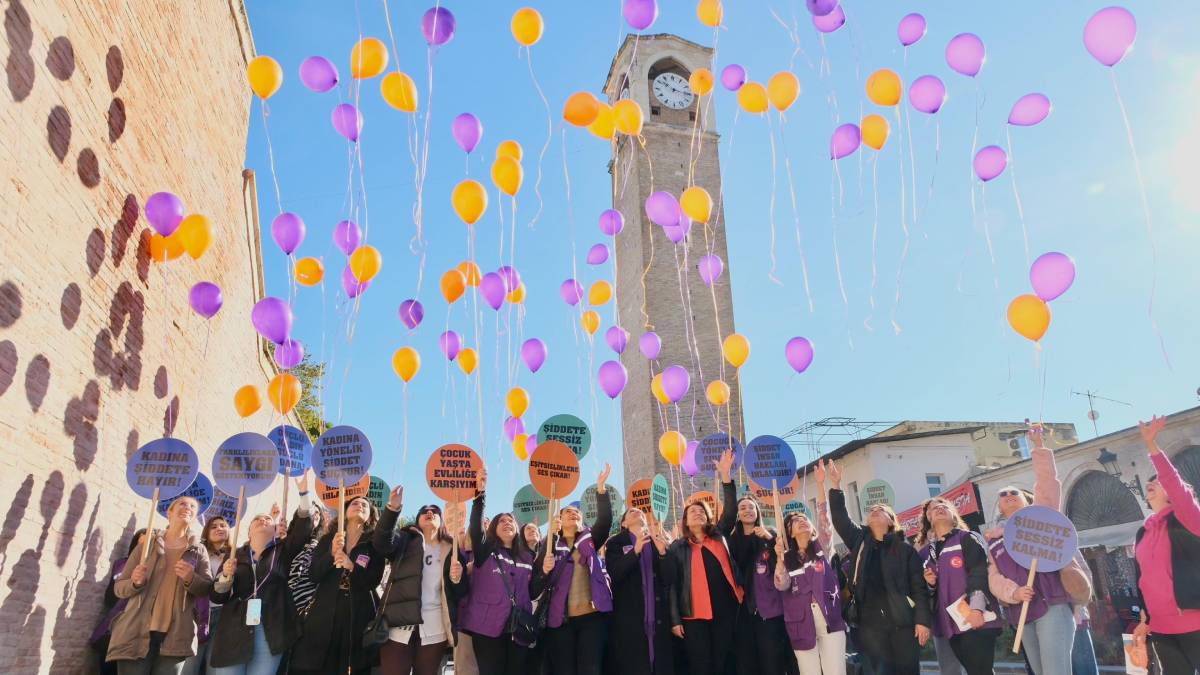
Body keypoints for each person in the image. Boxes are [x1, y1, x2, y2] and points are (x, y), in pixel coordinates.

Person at [986, 423, 1085, 675]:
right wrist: (1015, 592)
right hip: (1020, 611)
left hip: (1051, 604)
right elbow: (994, 578)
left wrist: (1039, 448)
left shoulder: (1040, 518)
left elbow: (1048, 484)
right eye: (1003, 493)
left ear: (1027, 499)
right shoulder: (994, 541)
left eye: (1014, 492)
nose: (1008, 494)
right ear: (998, 504)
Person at [824, 459, 930, 675]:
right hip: (868, 627)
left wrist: (922, 621)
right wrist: (836, 486)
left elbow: (919, 588)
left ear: (891, 520)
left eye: (879, 509)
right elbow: (841, 519)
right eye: (871, 510)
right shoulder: (860, 540)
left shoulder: (905, 550)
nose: (873, 511)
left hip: (902, 624)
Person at [207, 475, 314, 674]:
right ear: (248, 532)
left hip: (270, 630)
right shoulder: (235, 555)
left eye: (267, 519)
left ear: (275, 529)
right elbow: (217, 595)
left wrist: (304, 493)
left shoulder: (283, 550)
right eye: (257, 519)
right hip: (234, 631)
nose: (262, 520)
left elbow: (303, 529)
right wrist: (225, 578)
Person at [107, 496, 214, 674]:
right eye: (182, 503)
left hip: (177, 635)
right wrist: (134, 582)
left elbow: (206, 588)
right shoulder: (147, 544)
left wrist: (190, 577)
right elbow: (119, 588)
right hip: (135, 631)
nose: (188, 507)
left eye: (193, 506)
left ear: (195, 516)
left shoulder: (198, 550)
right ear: (169, 512)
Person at [372, 486, 468, 675]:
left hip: (434, 629)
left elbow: (461, 592)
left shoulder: (453, 550)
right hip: (397, 626)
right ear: (417, 520)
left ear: (442, 521)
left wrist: (458, 579)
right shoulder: (404, 540)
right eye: (424, 511)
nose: (429, 512)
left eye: (435, 511)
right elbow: (381, 543)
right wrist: (393, 509)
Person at [1132, 415, 1200, 672]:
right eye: (1149, 481)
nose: (1151, 482)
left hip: (1195, 622)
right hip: (1161, 628)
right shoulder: (1143, 532)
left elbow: (1176, 485)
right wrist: (1145, 620)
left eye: (1157, 480)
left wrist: (1152, 447)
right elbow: (1144, 581)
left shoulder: (1189, 519)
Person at [289, 494, 385, 675]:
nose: (359, 505)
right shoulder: (328, 540)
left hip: (357, 613)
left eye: (365, 505)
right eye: (354, 503)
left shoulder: (373, 546)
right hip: (325, 611)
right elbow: (314, 574)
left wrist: (352, 567)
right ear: (344, 512)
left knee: (352, 665)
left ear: (371, 516)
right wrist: (331, 554)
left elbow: (373, 580)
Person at [533, 464, 614, 675]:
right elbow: (537, 582)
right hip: (561, 622)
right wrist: (544, 566)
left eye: (577, 513)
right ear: (558, 520)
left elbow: (604, 522)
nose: (574, 514)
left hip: (592, 620)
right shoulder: (550, 543)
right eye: (568, 512)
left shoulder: (589, 540)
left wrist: (601, 489)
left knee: (591, 669)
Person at [666, 450, 739, 675]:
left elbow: (730, 512)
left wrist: (725, 477)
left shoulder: (718, 535)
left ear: (708, 518)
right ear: (685, 521)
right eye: (692, 512)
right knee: (701, 666)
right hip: (693, 617)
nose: (697, 514)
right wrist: (675, 619)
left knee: (723, 663)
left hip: (725, 611)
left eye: (701, 511)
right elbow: (672, 586)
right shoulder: (677, 547)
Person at [462, 468, 538, 675]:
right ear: (493, 528)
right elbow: (476, 527)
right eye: (501, 521)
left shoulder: (527, 557)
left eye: (510, 520)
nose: (507, 523)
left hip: (519, 627)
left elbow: (534, 589)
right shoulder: (485, 550)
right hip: (486, 627)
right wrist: (480, 495)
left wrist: (545, 572)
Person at [917, 496, 1003, 675]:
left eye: (944, 506)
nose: (939, 508)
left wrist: (976, 609)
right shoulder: (925, 554)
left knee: (980, 671)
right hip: (949, 626)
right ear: (929, 519)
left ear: (954, 515)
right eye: (933, 508)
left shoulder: (968, 538)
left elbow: (979, 572)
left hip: (974, 618)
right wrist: (930, 584)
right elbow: (923, 593)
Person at [774, 507, 846, 675]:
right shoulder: (786, 557)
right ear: (789, 533)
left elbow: (825, 522)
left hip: (829, 620)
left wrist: (821, 485)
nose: (801, 521)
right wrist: (779, 559)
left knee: (836, 671)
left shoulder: (822, 548)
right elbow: (781, 584)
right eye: (795, 521)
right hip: (800, 623)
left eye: (804, 519)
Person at [604, 506, 674, 675]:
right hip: (630, 616)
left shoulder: (657, 540)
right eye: (631, 512)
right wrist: (635, 551)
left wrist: (664, 553)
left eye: (640, 511)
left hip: (658, 615)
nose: (637, 511)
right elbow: (615, 572)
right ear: (624, 523)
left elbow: (670, 577)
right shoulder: (615, 543)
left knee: (659, 661)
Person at [728, 495, 791, 675]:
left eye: (751, 507)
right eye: (743, 508)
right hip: (744, 611)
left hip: (769, 610)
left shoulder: (770, 533)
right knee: (748, 662)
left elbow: (785, 561)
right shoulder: (732, 541)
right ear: (738, 515)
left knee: (772, 661)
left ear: (757, 512)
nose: (747, 510)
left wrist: (770, 540)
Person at [180, 516, 231, 675]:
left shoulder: (236, 555)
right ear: (207, 532)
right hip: (197, 614)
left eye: (223, 526)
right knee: (189, 664)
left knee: (213, 667)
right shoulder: (197, 552)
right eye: (213, 526)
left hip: (223, 616)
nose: (219, 529)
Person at [91, 530, 147, 675]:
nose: (142, 548)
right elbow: (109, 597)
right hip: (114, 623)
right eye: (140, 543)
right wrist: (128, 585)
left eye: (147, 544)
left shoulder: (154, 568)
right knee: (106, 665)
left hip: (136, 624)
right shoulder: (121, 563)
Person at [285, 503, 325, 619]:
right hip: (285, 604)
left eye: (317, 512)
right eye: (312, 511)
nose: (315, 514)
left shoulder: (323, 543)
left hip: (311, 607)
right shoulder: (287, 541)